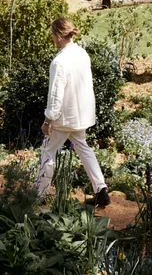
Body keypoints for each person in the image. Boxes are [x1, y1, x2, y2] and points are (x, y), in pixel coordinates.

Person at [35, 17, 110, 207]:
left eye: (53, 35)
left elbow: (55, 94)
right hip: (80, 115)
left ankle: (39, 194)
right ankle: (101, 189)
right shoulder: (82, 54)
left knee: (48, 151)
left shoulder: (59, 62)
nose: (52, 38)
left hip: (63, 118)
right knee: (83, 148)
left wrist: (48, 119)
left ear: (59, 35)